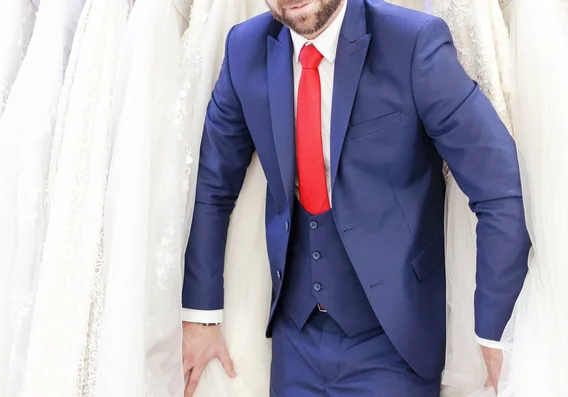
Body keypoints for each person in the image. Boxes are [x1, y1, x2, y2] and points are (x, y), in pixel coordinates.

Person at [181, 0, 531, 395]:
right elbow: (214, 186)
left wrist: (497, 331)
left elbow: (499, 187)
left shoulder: (412, 44)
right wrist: (201, 316)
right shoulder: (245, 48)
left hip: (395, 343)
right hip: (294, 339)